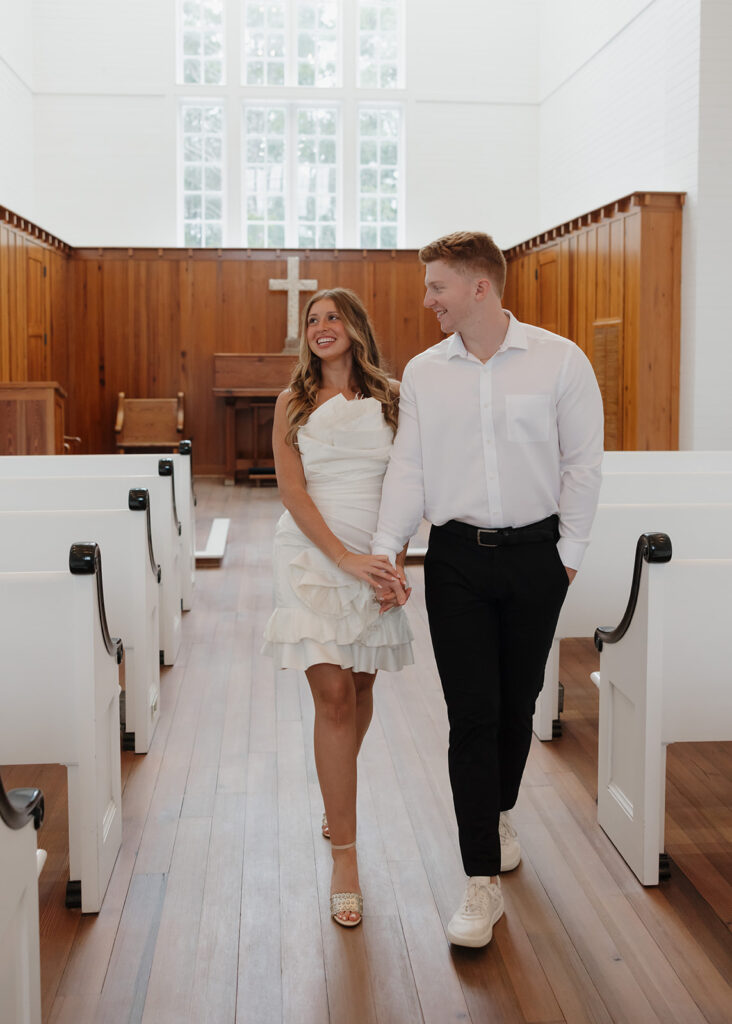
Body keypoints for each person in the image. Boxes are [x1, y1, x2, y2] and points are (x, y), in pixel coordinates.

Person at [373, 231, 604, 947]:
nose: (427, 299)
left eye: (437, 286)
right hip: (455, 561)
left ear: (481, 287)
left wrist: (565, 557)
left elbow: (583, 466)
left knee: (518, 705)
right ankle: (479, 881)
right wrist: (388, 550)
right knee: (471, 715)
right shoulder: (421, 372)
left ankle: (498, 809)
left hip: (536, 556)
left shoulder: (560, 361)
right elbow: (409, 468)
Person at [262, 287, 413, 928]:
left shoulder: (393, 398)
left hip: (373, 556)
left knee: (360, 686)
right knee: (333, 698)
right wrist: (342, 558)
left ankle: (336, 796)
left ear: (356, 326)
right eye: (312, 320)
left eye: (333, 317)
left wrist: (393, 562)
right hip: (310, 556)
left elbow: (408, 487)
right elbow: (293, 492)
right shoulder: (292, 401)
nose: (322, 327)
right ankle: (345, 856)